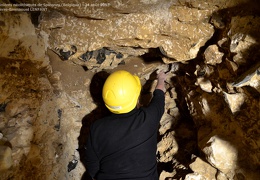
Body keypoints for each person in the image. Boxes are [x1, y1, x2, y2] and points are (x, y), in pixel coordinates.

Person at [85, 70, 166, 180]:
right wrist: (161, 78)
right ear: (136, 96)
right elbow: (159, 94)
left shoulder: (96, 128)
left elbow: (92, 166)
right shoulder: (148, 117)